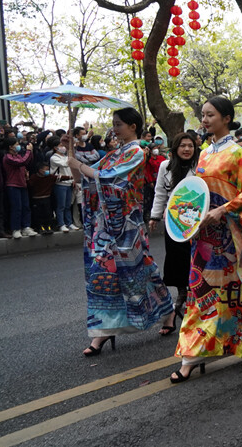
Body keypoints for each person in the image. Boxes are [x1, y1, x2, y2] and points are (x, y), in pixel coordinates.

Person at [172, 97, 242, 383]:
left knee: (236, 293)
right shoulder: (203, 153)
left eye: (210, 115)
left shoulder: (239, 153)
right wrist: (188, 221)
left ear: (226, 118)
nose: (204, 120)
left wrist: (223, 210)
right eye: (202, 115)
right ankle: (191, 355)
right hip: (204, 237)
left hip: (230, 238)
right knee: (200, 292)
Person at [63, 108, 174, 356]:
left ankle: (167, 311)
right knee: (103, 272)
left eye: (119, 124)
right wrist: (70, 153)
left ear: (133, 126)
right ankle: (103, 331)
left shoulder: (137, 152)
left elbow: (106, 177)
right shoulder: (115, 153)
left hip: (128, 224)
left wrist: (78, 163)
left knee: (140, 271)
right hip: (106, 225)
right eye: (113, 124)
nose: (114, 129)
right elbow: (86, 178)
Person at [148, 133, 200, 335]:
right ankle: (182, 294)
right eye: (182, 146)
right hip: (173, 219)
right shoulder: (165, 166)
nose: (187, 149)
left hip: (195, 218)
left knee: (194, 258)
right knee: (176, 258)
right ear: (175, 148)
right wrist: (154, 216)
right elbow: (160, 192)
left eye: (190, 146)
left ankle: (195, 296)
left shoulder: (200, 165)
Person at [3, 138, 37, 238]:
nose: (18, 146)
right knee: (16, 208)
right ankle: (16, 229)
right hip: (13, 185)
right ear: (10, 147)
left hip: (22, 184)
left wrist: (31, 152)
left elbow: (27, 162)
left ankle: (26, 227)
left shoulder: (17, 155)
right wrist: (28, 151)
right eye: (16, 144)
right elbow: (22, 162)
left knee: (26, 207)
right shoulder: (8, 157)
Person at [49, 139, 79, 231]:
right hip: (60, 184)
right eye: (61, 145)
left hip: (69, 183)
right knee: (60, 205)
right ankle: (61, 224)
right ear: (55, 148)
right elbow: (65, 164)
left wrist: (73, 180)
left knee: (67, 205)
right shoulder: (54, 158)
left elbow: (71, 168)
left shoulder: (66, 157)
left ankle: (69, 223)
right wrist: (71, 155)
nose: (63, 148)